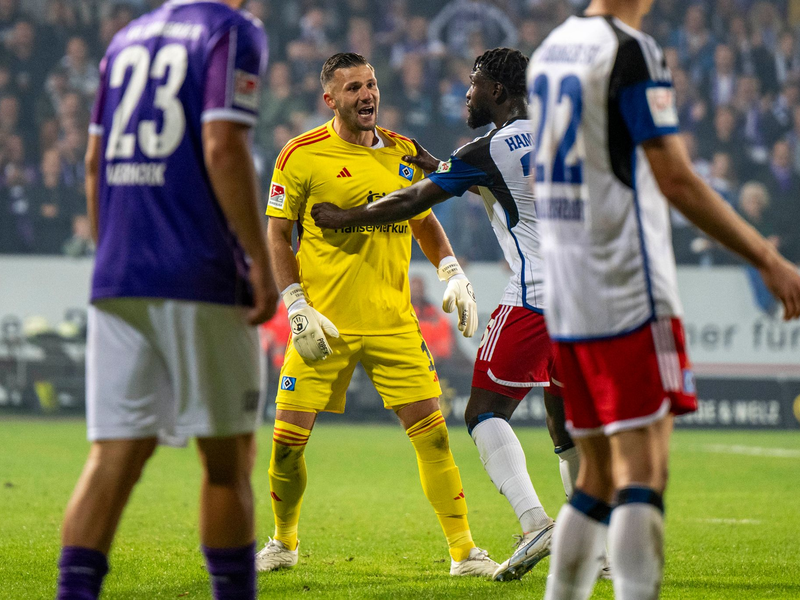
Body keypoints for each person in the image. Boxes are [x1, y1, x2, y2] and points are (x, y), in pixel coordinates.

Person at [527, 2, 800, 599]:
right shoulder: (632, 50)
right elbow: (676, 178)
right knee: (642, 473)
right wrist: (768, 258)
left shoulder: (550, 51)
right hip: (627, 286)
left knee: (595, 477)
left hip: (569, 292)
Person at [311, 47, 582, 582]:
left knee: (482, 412)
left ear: (497, 92)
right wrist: (439, 162)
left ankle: (534, 523)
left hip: (535, 297)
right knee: (567, 425)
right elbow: (469, 173)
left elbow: (414, 200)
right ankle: (591, 548)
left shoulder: (488, 147)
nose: (468, 93)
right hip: (588, 300)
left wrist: (345, 216)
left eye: (475, 83)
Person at [56, 2, 278, 599]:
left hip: (121, 272)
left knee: (112, 459)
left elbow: (93, 162)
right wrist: (259, 260)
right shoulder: (231, 31)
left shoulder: (126, 39)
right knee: (228, 463)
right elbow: (222, 146)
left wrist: (112, 256)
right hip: (200, 272)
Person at [257, 52, 498, 577]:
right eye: (353, 89)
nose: (366, 95)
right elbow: (277, 233)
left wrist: (452, 271)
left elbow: (423, 216)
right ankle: (283, 541)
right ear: (330, 99)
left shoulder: (403, 151)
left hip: (393, 321)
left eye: (371, 85)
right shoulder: (299, 155)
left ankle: (464, 553)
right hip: (324, 325)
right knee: (285, 447)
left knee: (433, 435)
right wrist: (295, 304)